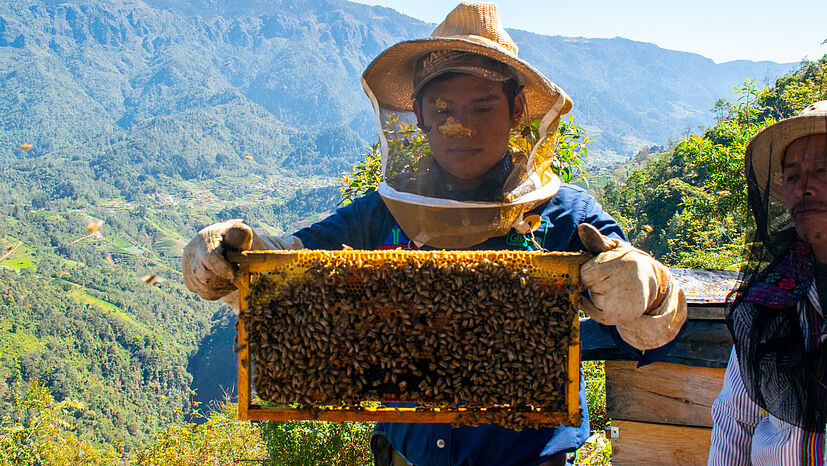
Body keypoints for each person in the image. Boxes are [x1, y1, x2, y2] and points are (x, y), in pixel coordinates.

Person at [182, 2, 687, 465]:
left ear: (516, 113)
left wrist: (650, 289)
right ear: (419, 116)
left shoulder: (565, 215)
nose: (460, 126)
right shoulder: (377, 216)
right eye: (443, 109)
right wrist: (228, 256)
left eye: (483, 107)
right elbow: (290, 266)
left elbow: (653, 336)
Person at [709, 100, 827, 464]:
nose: (804, 187)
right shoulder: (772, 294)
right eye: (792, 176)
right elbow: (734, 416)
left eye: (823, 170)